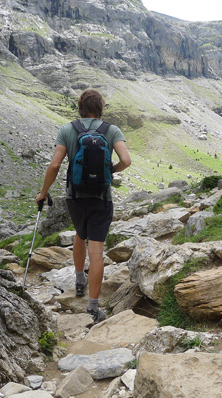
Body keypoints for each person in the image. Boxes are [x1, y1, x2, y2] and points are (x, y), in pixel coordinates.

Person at [36, 89, 131, 323]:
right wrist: (111, 170)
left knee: (80, 233)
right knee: (96, 251)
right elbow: (126, 161)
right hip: (101, 197)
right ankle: (93, 306)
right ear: (101, 107)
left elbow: (55, 164)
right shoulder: (111, 130)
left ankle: (79, 280)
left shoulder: (68, 130)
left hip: (75, 196)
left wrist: (43, 192)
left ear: (79, 106)